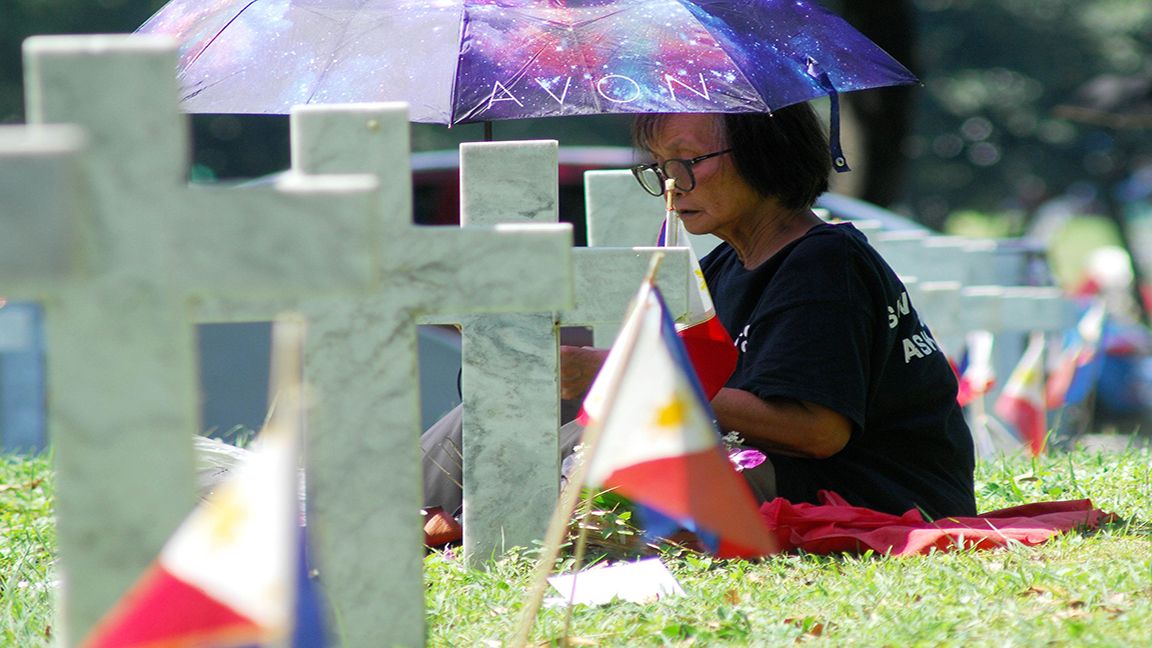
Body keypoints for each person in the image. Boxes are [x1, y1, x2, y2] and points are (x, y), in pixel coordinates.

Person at [425, 103, 977, 521]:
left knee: (584, 450)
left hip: (866, 492)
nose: (671, 183)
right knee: (499, 408)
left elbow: (817, 431)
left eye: (688, 161)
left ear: (768, 151)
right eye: (660, 166)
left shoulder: (822, 263)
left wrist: (619, 373)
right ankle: (381, 516)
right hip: (756, 465)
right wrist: (515, 333)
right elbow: (675, 374)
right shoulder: (726, 267)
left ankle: (468, 527)